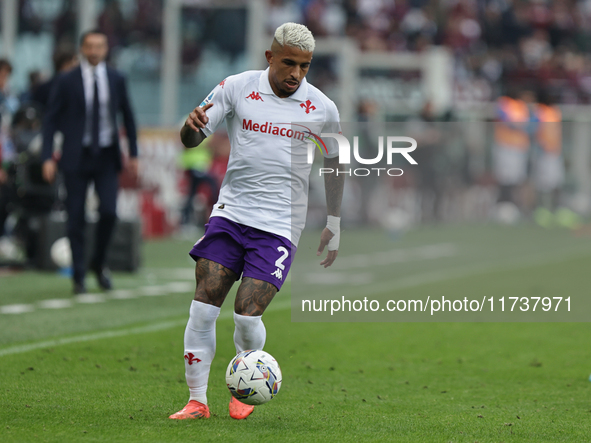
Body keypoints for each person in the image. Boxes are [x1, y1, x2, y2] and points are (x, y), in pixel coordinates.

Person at [169, 22, 344, 420]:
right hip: (231, 214)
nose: (295, 74)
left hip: (281, 225)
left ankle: (244, 386)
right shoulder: (237, 86)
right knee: (204, 305)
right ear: (270, 57)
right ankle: (197, 401)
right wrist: (189, 126)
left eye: (304, 66)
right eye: (288, 63)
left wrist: (333, 218)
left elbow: (336, 162)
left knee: (248, 313)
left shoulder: (323, 108)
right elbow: (191, 138)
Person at [41, 30, 138, 294]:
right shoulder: (66, 80)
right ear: (83, 49)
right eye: (89, 46)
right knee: (75, 217)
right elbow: (50, 120)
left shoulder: (116, 78)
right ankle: (79, 274)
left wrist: (135, 154)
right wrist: (47, 156)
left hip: (106, 155)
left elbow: (128, 116)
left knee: (109, 212)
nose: (94, 51)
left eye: (99, 46)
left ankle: (98, 263)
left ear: (106, 49)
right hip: (76, 156)